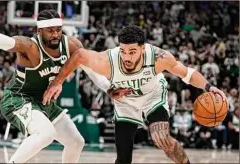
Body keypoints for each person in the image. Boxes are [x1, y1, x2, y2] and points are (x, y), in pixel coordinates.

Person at [43, 25, 227, 164]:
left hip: (152, 97)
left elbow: (188, 74)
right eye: (123, 51)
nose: (127, 56)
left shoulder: (158, 58)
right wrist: (56, 82)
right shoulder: (109, 59)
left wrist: (209, 87)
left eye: (132, 51)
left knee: (160, 137)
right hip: (125, 103)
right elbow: (80, 56)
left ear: (142, 48)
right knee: (123, 158)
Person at [0, 9, 118, 163]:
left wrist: (108, 88)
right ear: (39, 31)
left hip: (44, 102)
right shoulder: (30, 47)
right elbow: (1, 41)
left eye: (58, 29)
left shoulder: (71, 45)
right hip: (18, 98)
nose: (55, 34)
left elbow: (91, 71)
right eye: (50, 31)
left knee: (76, 142)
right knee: (46, 134)